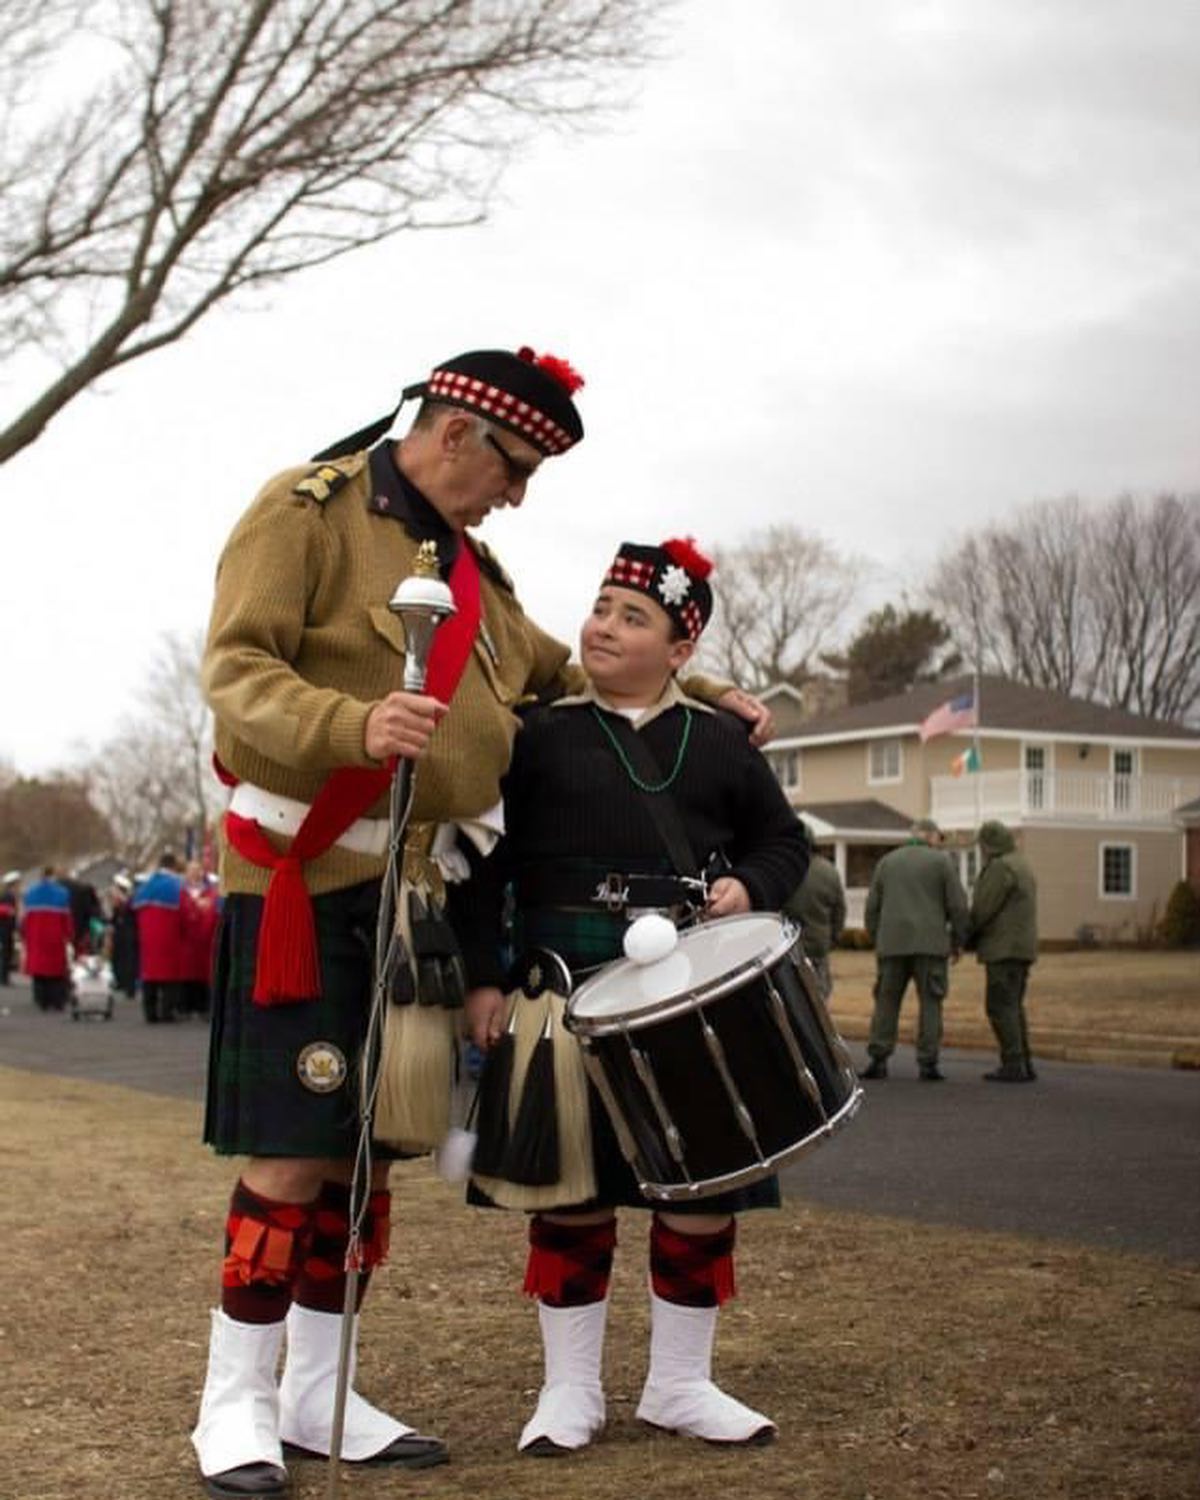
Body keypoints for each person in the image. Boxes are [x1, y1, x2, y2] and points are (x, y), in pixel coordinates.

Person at [193, 347, 772, 1499]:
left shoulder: (474, 574)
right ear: (455, 432)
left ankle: (318, 1388)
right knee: (293, 1149)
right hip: (305, 877)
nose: (516, 495)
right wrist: (350, 727)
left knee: (371, 1149)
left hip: (410, 896)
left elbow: (563, 672)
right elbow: (236, 669)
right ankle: (235, 1401)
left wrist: (704, 696)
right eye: (513, 468)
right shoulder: (303, 511)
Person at [459, 536, 809, 1456]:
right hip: (558, 985)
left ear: (680, 649)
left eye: (633, 616)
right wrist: (483, 977)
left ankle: (680, 1385)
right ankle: (568, 1392)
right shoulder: (535, 735)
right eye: (603, 607)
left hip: (690, 996)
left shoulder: (724, 744)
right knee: (570, 1194)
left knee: (701, 1194)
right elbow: (479, 869)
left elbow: (785, 843)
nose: (604, 626)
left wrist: (750, 888)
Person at [860, 818, 968, 1082]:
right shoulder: (941, 863)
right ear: (930, 836)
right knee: (931, 1002)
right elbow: (957, 905)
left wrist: (879, 937)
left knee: (886, 1002)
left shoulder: (887, 862)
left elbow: (872, 906)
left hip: (892, 944)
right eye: (937, 838)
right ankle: (928, 1062)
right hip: (931, 945)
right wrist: (958, 940)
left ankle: (879, 1057)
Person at [967, 820, 1039, 1083]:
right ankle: (1024, 1060)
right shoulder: (1022, 863)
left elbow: (984, 908)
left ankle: (1013, 1063)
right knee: (1014, 1005)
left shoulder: (1000, 867)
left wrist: (965, 936)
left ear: (989, 845)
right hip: (1022, 948)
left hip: (1003, 949)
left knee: (999, 1006)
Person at [782, 820, 846, 1001]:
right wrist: (833, 937)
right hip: (819, 943)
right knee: (819, 996)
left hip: (789, 946)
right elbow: (839, 910)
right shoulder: (829, 871)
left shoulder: (784, 869)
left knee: (793, 996)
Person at [133, 851, 185, 1024]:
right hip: (169, 936)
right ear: (173, 866)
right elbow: (184, 912)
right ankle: (167, 1012)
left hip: (148, 936)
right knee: (169, 975)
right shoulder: (177, 885)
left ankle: (150, 1013)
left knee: (149, 974)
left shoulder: (145, 886)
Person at [20, 866, 73, 1011]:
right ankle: (56, 1001)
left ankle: (41, 1000)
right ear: (52, 875)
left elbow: (25, 920)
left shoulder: (30, 894)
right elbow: (66, 919)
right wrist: (69, 935)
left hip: (36, 938)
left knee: (39, 971)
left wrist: (24, 935)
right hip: (55, 938)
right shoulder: (62, 894)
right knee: (55, 971)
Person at [180, 860, 221, 1018]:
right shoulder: (182, 892)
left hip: (205, 940)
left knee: (203, 975)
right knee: (187, 974)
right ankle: (186, 1007)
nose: (195, 873)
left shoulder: (210, 892)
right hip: (187, 941)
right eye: (191, 870)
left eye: (198, 870)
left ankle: (202, 1007)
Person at [107, 874, 140, 1000]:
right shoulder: (118, 902)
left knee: (129, 960)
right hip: (120, 932)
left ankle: (129, 985)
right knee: (119, 957)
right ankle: (121, 982)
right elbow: (113, 918)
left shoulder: (130, 900)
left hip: (130, 932)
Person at [0, 871, 19, 986]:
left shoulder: (5, 894)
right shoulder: (8, 895)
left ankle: (4, 976)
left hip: (4, 927)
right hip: (6, 927)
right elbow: (9, 912)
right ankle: (4, 977)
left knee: (6, 952)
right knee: (7, 952)